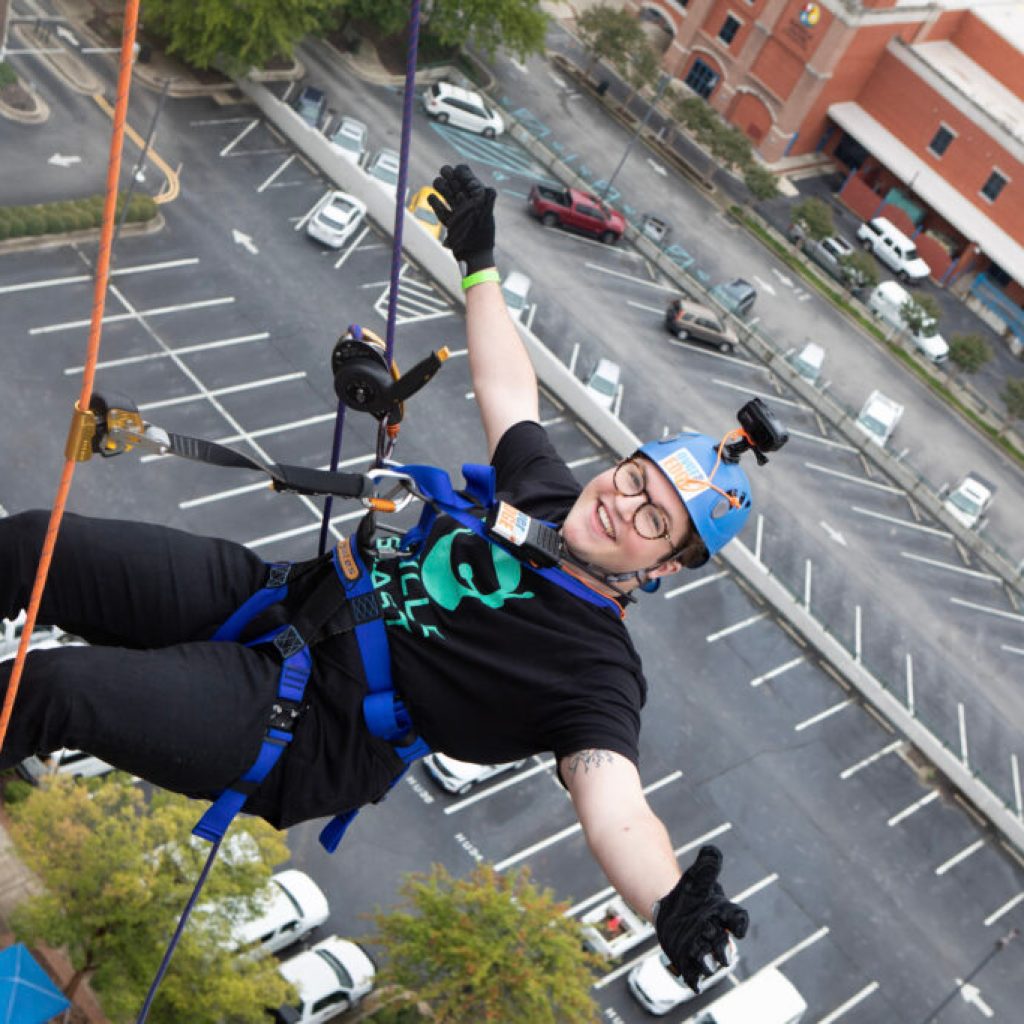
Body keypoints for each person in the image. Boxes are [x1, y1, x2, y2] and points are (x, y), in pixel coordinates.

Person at [0, 164, 757, 993]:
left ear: (668, 566)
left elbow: (613, 804)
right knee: (35, 545)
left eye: (656, 521)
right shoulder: (548, 492)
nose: (623, 504)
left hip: (302, 730)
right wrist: (480, 262)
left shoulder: (595, 673)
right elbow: (509, 387)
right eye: (635, 477)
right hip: (277, 599)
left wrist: (666, 899)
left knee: (53, 689)